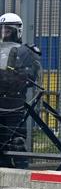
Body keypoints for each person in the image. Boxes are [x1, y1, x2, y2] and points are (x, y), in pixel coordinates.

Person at [0, 13, 42, 169]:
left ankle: (22, 176)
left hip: (14, 104)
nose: (4, 33)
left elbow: (30, 77)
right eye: (2, 30)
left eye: (8, 30)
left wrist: (10, 76)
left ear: (18, 31)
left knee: (16, 142)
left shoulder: (26, 51)